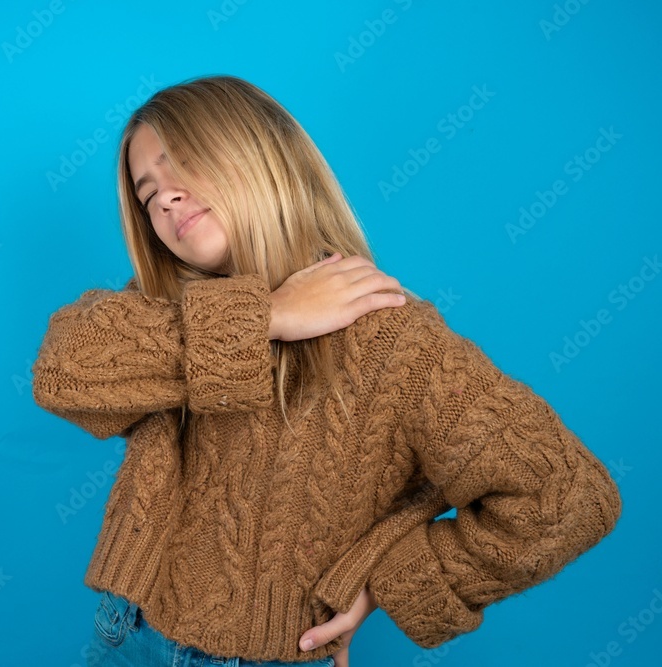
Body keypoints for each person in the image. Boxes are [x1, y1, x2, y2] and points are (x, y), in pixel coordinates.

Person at [31, 75, 622, 667]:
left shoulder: (391, 338)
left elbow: (567, 497)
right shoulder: (168, 304)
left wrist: (390, 582)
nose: (163, 199)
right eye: (146, 193)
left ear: (260, 153)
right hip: (126, 632)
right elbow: (61, 374)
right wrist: (271, 314)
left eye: (179, 162)